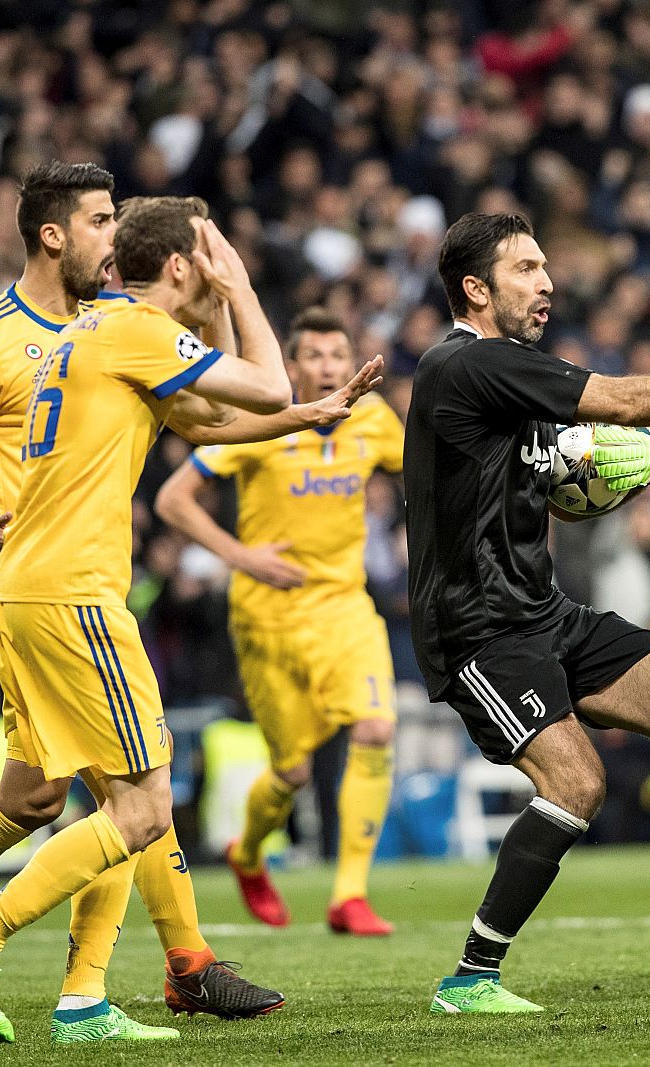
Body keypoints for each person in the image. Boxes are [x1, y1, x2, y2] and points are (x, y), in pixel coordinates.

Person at [0, 164, 325, 1038]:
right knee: (129, 792)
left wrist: (300, 414)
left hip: (62, 579)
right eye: (100, 220)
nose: (112, 236)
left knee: (37, 798)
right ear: (54, 233)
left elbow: (200, 418)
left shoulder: (98, 328)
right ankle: (147, 972)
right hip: (35, 579)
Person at [405, 211, 650, 1015]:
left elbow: (552, 499)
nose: (547, 282)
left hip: (542, 612)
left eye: (546, 266)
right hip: (478, 630)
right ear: (476, 289)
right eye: (525, 269)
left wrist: (595, 486)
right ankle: (471, 977)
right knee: (577, 782)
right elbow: (618, 399)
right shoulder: (465, 365)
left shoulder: (509, 378)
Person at [155, 307, 402, 936]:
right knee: (290, 773)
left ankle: (350, 895)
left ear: (351, 363)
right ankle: (246, 853)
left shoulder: (373, 420)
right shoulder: (265, 422)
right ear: (291, 368)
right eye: (313, 356)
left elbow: (427, 469)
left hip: (346, 608)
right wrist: (240, 556)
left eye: (337, 355)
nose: (327, 367)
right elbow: (171, 498)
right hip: (266, 619)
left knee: (375, 728)